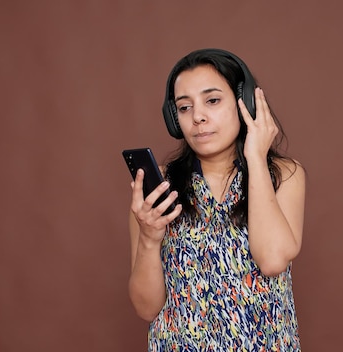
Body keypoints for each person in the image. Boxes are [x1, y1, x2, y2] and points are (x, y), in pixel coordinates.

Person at [127, 48, 306, 351]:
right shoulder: (158, 188)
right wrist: (148, 237)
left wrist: (256, 158)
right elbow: (146, 308)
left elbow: (273, 260)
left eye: (212, 101)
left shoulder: (282, 175)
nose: (198, 116)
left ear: (244, 102)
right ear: (174, 119)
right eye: (184, 108)